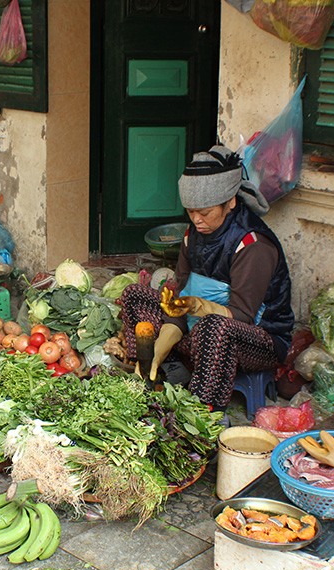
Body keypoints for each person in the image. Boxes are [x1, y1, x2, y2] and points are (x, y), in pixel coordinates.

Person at [120, 145, 294, 411]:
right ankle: (153, 370)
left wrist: (198, 307)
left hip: (258, 339)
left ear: (231, 202)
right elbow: (177, 299)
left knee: (214, 326)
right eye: (191, 212)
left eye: (205, 212)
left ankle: (200, 413)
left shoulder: (252, 244)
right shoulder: (192, 236)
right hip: (196, 329)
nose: (196, 220)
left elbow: (243, 316)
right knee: (136, 295)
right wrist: (158, 347)